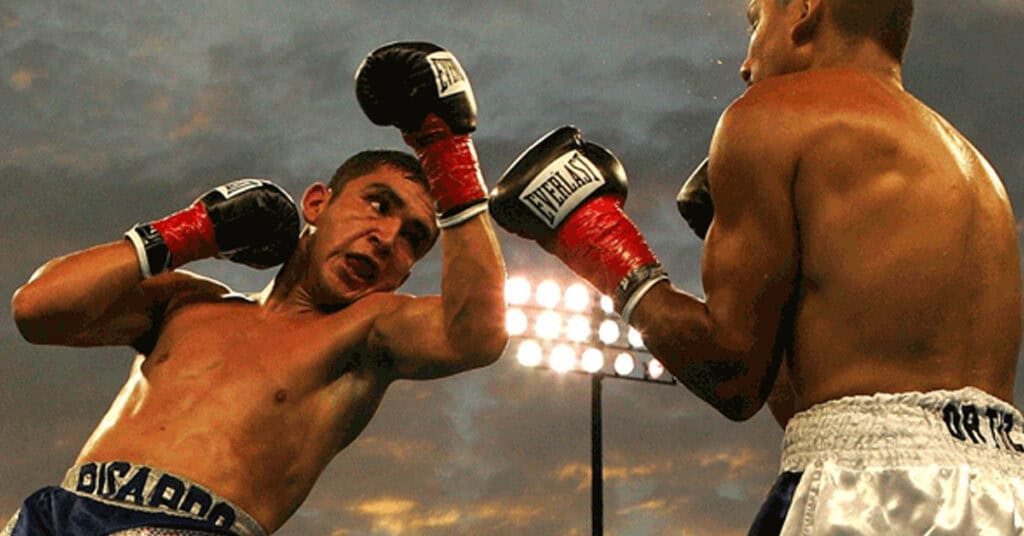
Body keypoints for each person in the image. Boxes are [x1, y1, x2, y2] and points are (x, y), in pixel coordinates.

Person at [488, 0, 1023, 533]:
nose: (745, 64)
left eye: (755, 21)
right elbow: (820, 410)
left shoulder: (773, 114)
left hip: (864, 497)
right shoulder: (976, 174)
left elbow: (733, 376)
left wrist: (596, 238)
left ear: (804, 11)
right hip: (1006, 494)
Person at [5, 41, 506, 536]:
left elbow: (476, 335)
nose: (387, 238)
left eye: (414, 239)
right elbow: (37, 309)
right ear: (316, 204)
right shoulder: (189, 303)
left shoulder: (364, 336)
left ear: (405, 273)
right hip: (58, 513)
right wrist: (193, 231)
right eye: (378, 204)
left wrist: (449, 154)